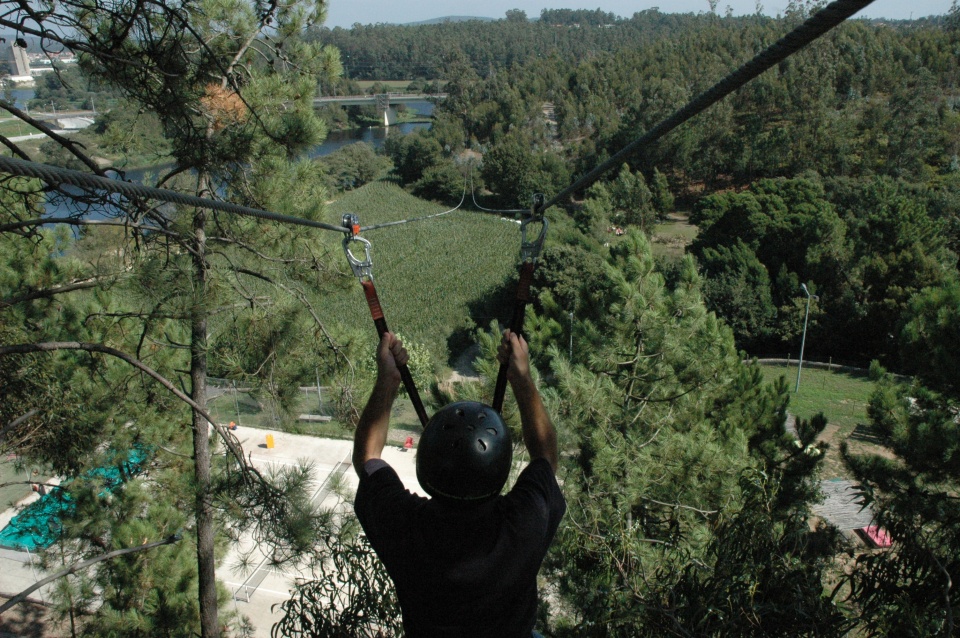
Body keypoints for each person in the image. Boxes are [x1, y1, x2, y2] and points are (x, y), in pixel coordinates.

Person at [353, 330, 565, 638]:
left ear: (426, 471)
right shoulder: (524, 524)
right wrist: (522, 378)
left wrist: (388, 380)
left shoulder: (404, 527)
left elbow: (367, 458)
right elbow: (545, 456)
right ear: (500, 472)